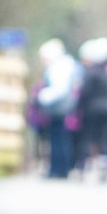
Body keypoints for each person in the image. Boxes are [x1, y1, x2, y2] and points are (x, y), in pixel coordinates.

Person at [74, 37, 107, 181]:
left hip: (92, 110)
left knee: (88, 138)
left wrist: (78, 107)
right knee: (105, 139)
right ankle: (105, 166)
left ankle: (83, 167)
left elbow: (84, 92)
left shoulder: (91, 72)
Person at [36, 38, 82, 179]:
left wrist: (42, 97)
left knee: (58, 139)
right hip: (62, 109)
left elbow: (59, 90)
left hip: (58, 109)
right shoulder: (66, 65)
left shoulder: (58, 68)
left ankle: (58, 169)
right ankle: (60, 169)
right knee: (61, 138)